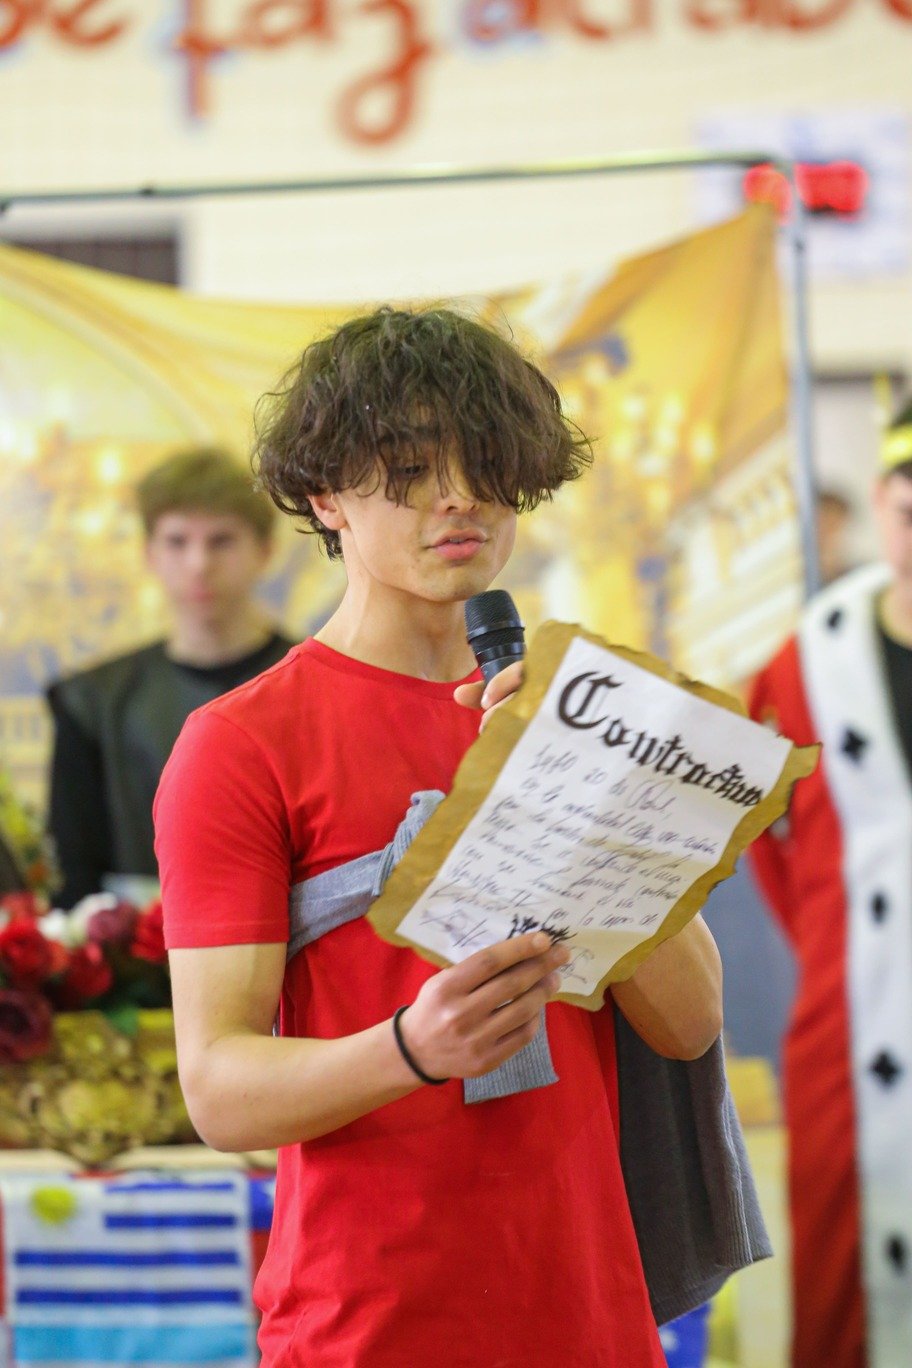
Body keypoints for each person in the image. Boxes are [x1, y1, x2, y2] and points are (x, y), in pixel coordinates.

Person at [154, 308, 750, 1368]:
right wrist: (408, 1051)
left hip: (590, 1309)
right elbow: (221, 1090)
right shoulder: (244, 742)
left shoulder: (575, 708)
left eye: (485, 461)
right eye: (410, 465)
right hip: (367, 1318)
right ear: (324, 495)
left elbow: (690, 1021)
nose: (459, 495)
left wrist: (587, 789)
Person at [749, 397, 912, 1368]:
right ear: (886, 505)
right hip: (855, 1021)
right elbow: (776, 852)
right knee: (848, 1290)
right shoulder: (808, 665)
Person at [47, 448, 294, 908]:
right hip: (136, 946)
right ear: (150, 554)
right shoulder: (91, 702)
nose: (199, 563)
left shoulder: (321, 683)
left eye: (221, 541)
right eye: (178, 541)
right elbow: (77, 876)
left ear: (265, 551)